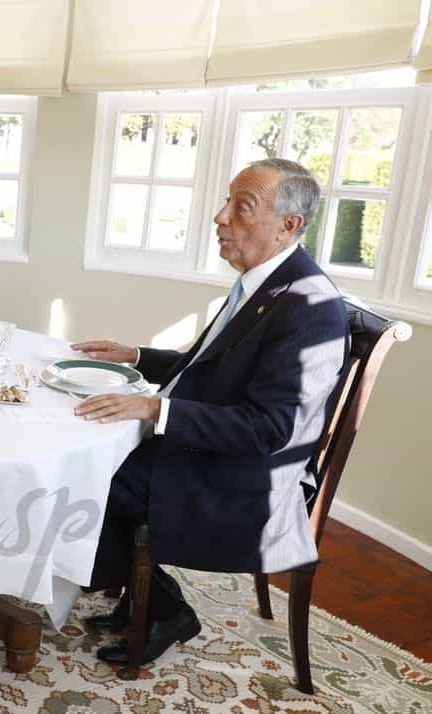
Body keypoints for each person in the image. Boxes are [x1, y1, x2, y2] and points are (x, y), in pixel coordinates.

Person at [71, 158, 349, 665]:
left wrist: (156, 409)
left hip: (249, 481)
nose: (220, 218)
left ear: (289, 225)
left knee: (91, 477)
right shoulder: (265, 281)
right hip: (218, 448)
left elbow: (272, 428)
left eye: (241, 209)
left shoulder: (312, 307)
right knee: (88, 457)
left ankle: (164, 608)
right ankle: (138, 593)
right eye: (226, 203)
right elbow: (212, 366)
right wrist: (135, 356)